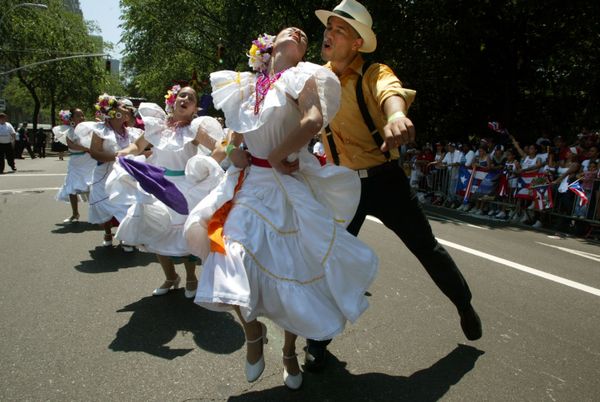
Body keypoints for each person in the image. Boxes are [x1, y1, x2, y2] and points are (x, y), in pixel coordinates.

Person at [184, 27, 378, 390]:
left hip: (286, 186)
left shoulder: (302, 77)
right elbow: (233, 141)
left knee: (290, 272)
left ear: (301, 53)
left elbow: (313, 121)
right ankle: (253, 333)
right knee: (230, 256)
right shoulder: (244, 85)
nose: (299, 33)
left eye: (304, 37)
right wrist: (232, 153)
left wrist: (274, 154)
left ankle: (289, 350)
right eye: (292, 31)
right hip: (247, 187)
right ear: (269, 46)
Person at [309, 0, 482, 371]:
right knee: (332, 261)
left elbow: (392, 93)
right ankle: (316, 343)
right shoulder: (314, 78)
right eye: (330, 27)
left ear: (356, 43)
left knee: (427, 248)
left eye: (340, 30)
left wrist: (398, 115)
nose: (330, 33)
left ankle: (464, 304)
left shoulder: (373, 72)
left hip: (386, 181)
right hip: (342, 186)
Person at [109, 85, 226, 298]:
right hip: (158, 184)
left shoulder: (195, 129)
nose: (186, 99)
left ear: (194, 109)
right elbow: (137, 146)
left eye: (191, 98)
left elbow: (221, 147)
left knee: (186, 236)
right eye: (183, 95)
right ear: (173, 100)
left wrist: (206, 166)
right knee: (157, 233)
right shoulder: (156, 126)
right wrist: (124, 152)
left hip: (186, 189)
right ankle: (171, 277)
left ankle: (191, 277)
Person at [87, 94, 142, 249]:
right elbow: (94, 153)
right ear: (114, 113)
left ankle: (126, 238)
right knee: (106, 204)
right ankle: (107, 233)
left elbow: (142, 150)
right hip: (104, 174)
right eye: (124, 107)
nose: (127, 110)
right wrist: (116, 157)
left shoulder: (132, 132)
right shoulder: (100, 130)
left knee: (127, 205)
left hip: (125, 175)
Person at [55, 109, 97, 223]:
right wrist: (85, 148)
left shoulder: (89, 129)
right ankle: (75, 213)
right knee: (71, 187)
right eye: (78, 115)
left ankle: (96, 214)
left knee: (93, 186)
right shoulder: (69, 131)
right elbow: (71, 145)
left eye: (83, 115)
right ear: (71, 118)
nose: (82, 117)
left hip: (89, 161)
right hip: (75, 161)